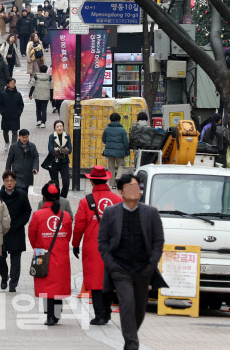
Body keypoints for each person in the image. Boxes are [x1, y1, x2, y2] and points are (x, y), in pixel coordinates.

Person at [98, 174, 165, 350]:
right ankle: (132, 344)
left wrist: (152, 263)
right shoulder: (111, 212)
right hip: (120, 268)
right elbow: (102, 241)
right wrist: (111, 264)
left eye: (137, 187)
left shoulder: (151, 213)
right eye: (130, 187)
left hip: (144, 268)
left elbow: (158, 240)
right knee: (127, 303)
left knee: (139, 310)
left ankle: (130, 339)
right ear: (121, 191)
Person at [73, 166, 123, 325]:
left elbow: (79, 226)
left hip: (93, 247)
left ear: (92, 180)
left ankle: (100, 315)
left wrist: (75, 244)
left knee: (95, 281)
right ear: (107, 179)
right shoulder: (118, 200)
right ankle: (107, 313)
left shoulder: (85, 201)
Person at [28, 182, 73, 325]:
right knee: (58, 284)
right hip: (61, 254)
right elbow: (68, 236)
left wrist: (38, 247)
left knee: (46, 283)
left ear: (44, 197)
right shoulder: (65, 216)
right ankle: (56, 314)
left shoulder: (37, 215)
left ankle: (49, 316)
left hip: (42, 253)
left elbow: (31, 235)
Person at [0, 171, 32, 292]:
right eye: (7, 180)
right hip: (1, 232)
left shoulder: (22, 195)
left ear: (15, 182)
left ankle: (13, 284)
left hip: (16, 231)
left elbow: (27, 211)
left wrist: (19, 223)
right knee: (0, 257)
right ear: (3, 182)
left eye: (12, 181)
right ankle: (4, 277)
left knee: (16, 260)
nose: (9, 183)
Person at [0, 78, 24, 151]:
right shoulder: (3, 94)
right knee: (5, 131)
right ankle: (7, 142)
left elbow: (21, 105)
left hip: (15, 116)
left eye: (14, 83)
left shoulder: (18, 94)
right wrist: (2, 113)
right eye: (11, 83)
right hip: (6, 116)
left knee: (15, 131)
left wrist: (19, 112)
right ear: (7, 84)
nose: (13, 84)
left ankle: (13, 145)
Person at [102, 113, 130, 181]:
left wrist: (109, 144)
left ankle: (112, 184)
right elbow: (125, 142)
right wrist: (127, 152)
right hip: (119, 152)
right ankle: (118, 177)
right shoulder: (122, 130)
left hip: (109, 152)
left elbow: (104, 140)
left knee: (111, 167)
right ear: (118, 120)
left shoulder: (106, 129)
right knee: (121, 165)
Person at [48, 120, 72, 198]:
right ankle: (56, 198)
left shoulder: (67, 136)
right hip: (54, 162)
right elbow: (51, 151)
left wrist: (58, 149)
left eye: (61, 126)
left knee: (66, 183)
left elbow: (70, 150)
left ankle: (62, 198)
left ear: (63, 127)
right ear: (55, 128)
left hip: (64, 162)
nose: (59, 128)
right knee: (55, 184)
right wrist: (63, 150)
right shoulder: (52, 136)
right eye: (57, 126)